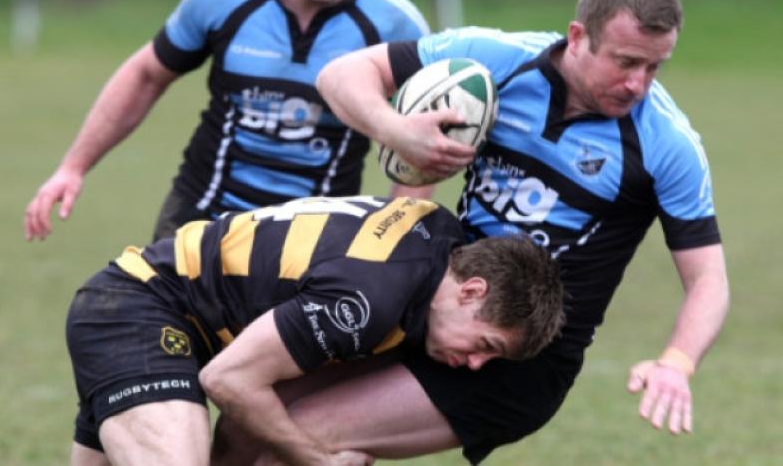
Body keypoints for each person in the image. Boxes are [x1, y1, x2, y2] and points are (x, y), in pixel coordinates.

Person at [242, 0, 728, 464]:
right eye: (626, 62)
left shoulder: (665, 145)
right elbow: (340, 74)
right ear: (579, 37)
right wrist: (397, 131)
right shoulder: (496, 62)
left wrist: (677, 363)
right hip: (434, 303)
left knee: (297, 435)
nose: (638, 85)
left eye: (654, 67)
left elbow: (708, 280)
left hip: (516, 359)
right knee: (252, 411)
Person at [24, 0, 430, 243]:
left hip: (316, 238)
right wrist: (73, 167)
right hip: (200, 218)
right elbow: (146, 75)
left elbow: (421, 138)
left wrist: (393, 233)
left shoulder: (395, 26)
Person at [64, 195, 565, 466]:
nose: (475, 365)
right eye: (484, 345)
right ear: (471, 290)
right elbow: (228, 381)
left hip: (175, 313)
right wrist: (316, 459)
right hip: (139, 306)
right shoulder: (368, 302)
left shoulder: (439, 238)